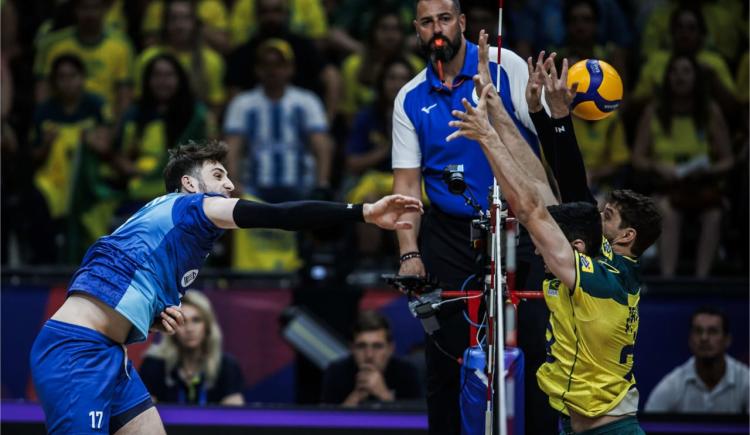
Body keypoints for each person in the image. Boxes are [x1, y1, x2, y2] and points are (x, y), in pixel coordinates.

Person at [29, 139, 422, 434]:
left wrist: (146, 316)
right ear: (189, 184)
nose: (230, 185)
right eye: (219, 176)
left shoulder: (162, 226)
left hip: (109, 354)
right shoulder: (191, 206)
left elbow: (99, 267)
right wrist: (363, 212)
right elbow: (277, 215)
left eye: (229, 177)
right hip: (76, 353)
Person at [447, 38, 662, 434]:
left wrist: (489, 137)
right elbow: (539, 182)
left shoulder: (604, 278)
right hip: (573, 426)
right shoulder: (601, 256)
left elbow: (531, 209)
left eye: (607, 216)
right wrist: (495, 103)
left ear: (627, 236)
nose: (596, 216)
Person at [391, 1, 542, 432]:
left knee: (536, 347)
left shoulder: (504, 64)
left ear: (461, 22)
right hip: (451, 235)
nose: (436, 29)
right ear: (417, 30)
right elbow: (406, 188)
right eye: (426, 22)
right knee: (444, 357)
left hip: (523, 227)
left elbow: (544, 131)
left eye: (444, 19)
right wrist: (409, 254)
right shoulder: (409, 97)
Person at [632, 54, 733, 277]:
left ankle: (701, 281)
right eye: (674, 72)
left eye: (686, 71)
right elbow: (637, 158)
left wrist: (708, 170)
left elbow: (728, 160)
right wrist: (657, 165)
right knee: (667, 210)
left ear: (696, 78)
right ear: (667, 78)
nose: (680, 77)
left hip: (701, 187)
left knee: (714, 215)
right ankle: (668, 279)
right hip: (665, 188)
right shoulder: (654, 112)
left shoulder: (710, 111)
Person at [224, 38, 334, 202]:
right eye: (266, 65)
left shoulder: (307, 101)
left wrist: (322, 184)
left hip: (300, 188)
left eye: (279, 65)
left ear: (291, 69)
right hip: (253, 189)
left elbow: (322, 145)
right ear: (257, 69)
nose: (272, 70)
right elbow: (232, 147)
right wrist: (233, 183)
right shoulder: (242, 103)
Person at [114, 53, 214, 208]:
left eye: (169, 75)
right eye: (157, 75)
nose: (163, 81)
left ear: (180, 79)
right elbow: (119, 154)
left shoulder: (196, 115)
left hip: (183, 195)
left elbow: (209, 157)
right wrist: (133, 170)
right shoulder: (134, 113)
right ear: (147, 80)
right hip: (139, 192)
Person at [140, 290, 245, 406]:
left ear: (208, 326)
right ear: (171, 326)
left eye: (196, 320)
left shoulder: (227, 366)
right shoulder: (154, 364)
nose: (189, 329)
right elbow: (145, 416)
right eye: (183, 321)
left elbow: (235, 418)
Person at [33, 0, 134, 121]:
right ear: (75, 10)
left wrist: (115, 133)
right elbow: (43, 89)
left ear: (105, 9)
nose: (90, 14)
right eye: (84, 8)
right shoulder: (53, 45)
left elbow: (124, 97)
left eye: (95, 7)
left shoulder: (121, 45)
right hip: (59, 123)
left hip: (104, 124)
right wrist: (45, 123)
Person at [644, 307, 749, 414]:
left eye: (712, 331)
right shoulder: (673, 385)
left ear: (727, 340)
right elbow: (647, 427)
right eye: (698, 331)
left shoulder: (745, 380)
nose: (704, 338)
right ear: (690, 339)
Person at [321, 310, 421, 406]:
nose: (369, 355)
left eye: (377, 346)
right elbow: (324, 421)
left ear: (390, 348)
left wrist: (384, 395)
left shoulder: (407, 373)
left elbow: (417, 420)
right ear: (352, 348)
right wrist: (357, 396)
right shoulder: (336, 372)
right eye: (361, 346)